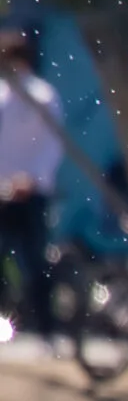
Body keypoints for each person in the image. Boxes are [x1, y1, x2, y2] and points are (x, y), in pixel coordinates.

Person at [0, 30, 66, 346]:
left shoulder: (42, 96)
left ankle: (45, 330)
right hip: (2, 191)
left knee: (36, 261)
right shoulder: (1, 97)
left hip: (31, 192)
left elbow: (52, 145)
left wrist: (34, 178)